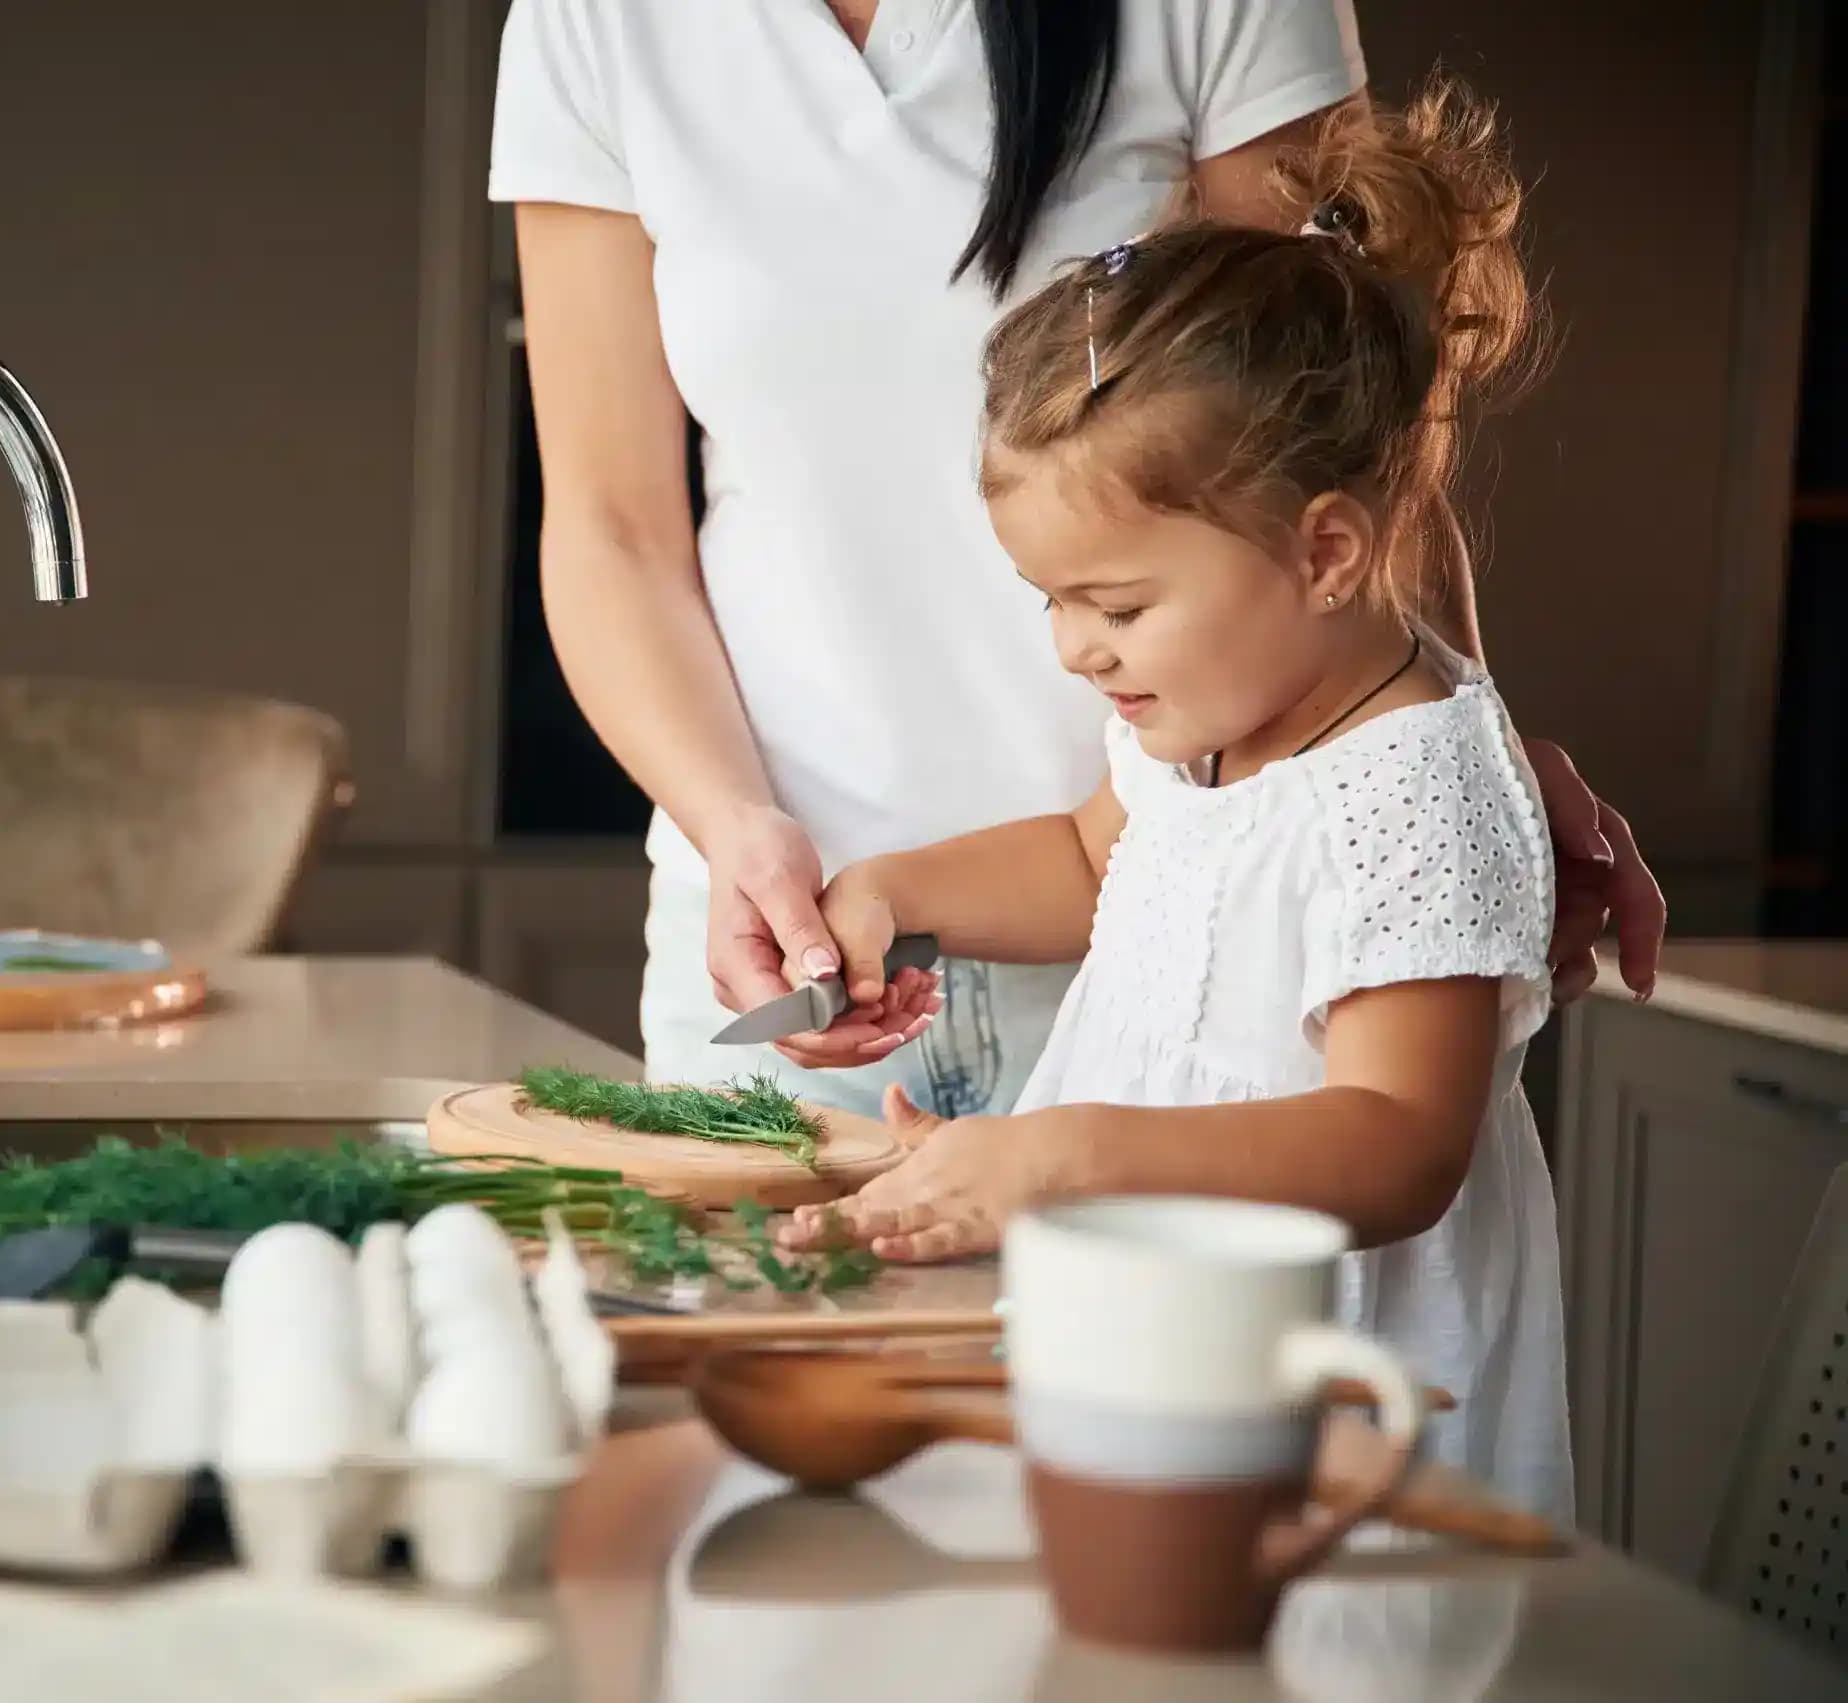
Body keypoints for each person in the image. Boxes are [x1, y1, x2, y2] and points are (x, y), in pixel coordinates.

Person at [492, 0, 1663, 1119]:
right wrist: (734, 824)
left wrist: (1449, 746)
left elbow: (1341, 424)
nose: (1068, 640)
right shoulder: (593, 19)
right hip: (800, 943)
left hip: (1192, 920)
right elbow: (611, 526)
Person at [771, 79, 1569, 1518]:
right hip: (1161, 1355)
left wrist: (1063, 1151)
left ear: (1326, 552)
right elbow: (1097, 859)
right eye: (1054, 601)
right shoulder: (1199, 725)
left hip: (1334, 1400)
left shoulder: (1412, 785)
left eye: (1119, 602)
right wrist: (902, 895)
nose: (1077, 647)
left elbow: (1398, 1142)